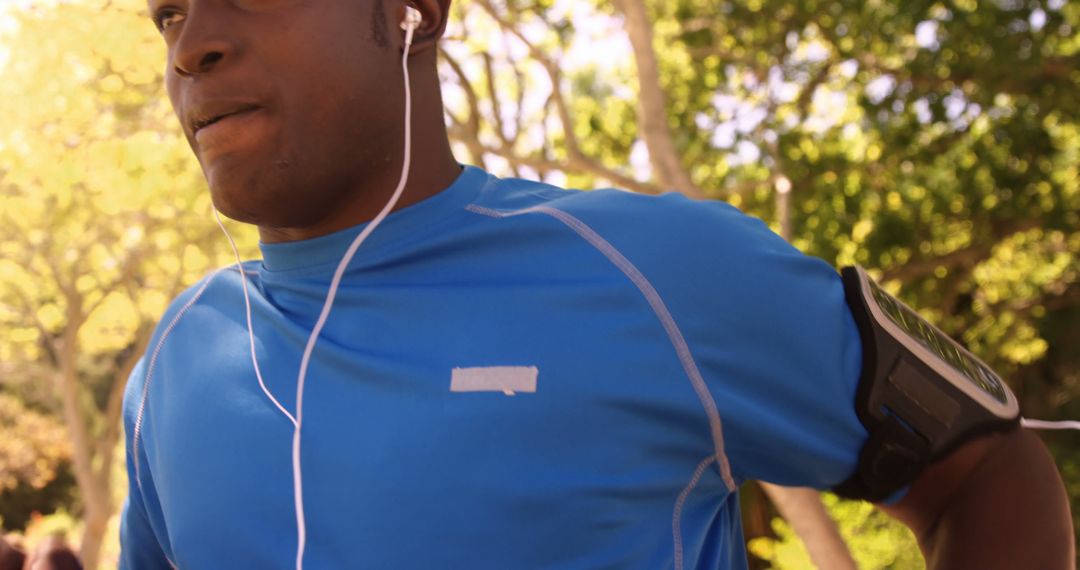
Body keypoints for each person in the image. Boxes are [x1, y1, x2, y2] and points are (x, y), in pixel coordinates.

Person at [108, 0, 1073, 568]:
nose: (192, 45)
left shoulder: (659, 272)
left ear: (413, 13)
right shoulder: (173, 367)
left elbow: (985, 468)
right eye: (167, 14)